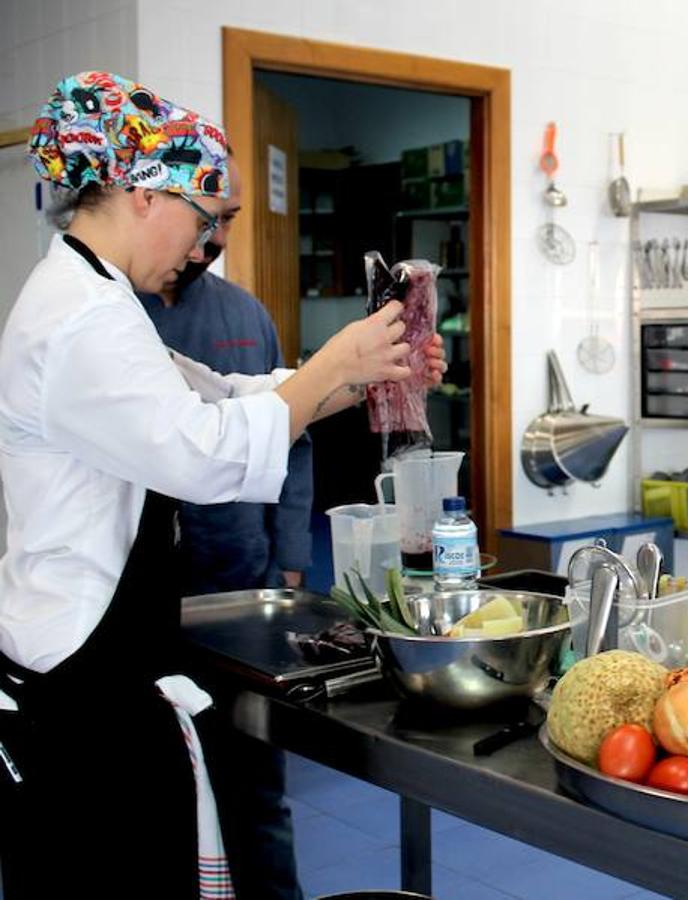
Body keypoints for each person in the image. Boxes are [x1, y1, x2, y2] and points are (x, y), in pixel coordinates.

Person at [0, 71, 445, 897]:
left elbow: (219, 395)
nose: (203, 248)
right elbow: (202, 456)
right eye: (203, 220)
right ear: (143, 194)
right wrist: (331, 368)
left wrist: (358, 376)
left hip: (101, 656)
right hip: (78, 675)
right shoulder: (81, 318)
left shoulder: (99, 298)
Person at [137, 153, 310, 900]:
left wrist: (291, 555)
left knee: (255, 788)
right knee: (159, 798)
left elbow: (289, 436)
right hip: (143, 598)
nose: (210, 241)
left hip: (241, 582)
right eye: (204, 219)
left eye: (229, 222)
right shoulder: (110, 317)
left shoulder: (245, 314)